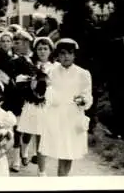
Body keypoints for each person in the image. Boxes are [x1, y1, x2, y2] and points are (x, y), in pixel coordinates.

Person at [38, 39, 93, 176]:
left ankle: (62, 179)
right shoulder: (51, 72)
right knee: (58, 152)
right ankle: (59, 178)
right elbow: (45, 95)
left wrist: (83, 100)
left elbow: (88, 96)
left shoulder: (83, 73)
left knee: (68, 153)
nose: (66, 57)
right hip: (55, 117)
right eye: (62, 53)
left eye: (70, 53)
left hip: (72, 117)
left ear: (75, 55)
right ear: (57, 55)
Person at [18, 37, 55, 169]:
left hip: (46, 104)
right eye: (39, 49)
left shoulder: (54, 67)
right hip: (32, 102)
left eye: (45, 49)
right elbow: (21, 79)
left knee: (41, 133)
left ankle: (41, 169)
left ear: (50, 51)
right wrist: (30, 82)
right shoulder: (31, 65)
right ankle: (24, 149)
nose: (42, 51)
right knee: (28, 131)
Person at [3, 29, 36, 173]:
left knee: (28, 128)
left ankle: (25, 151)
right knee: (17, 128)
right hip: (15, 97)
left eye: (19, 42)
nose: (16, 45)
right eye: (15, 42)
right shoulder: (12, 61)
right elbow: (9, 78)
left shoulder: (33, 59)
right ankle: (16, 158)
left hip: (30, 98)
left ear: (27, 43)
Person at [106, 23, 124, 142]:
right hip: (115, 81)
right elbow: (108, 61)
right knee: (116, 106)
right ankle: (116, 131)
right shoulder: (115, 43)